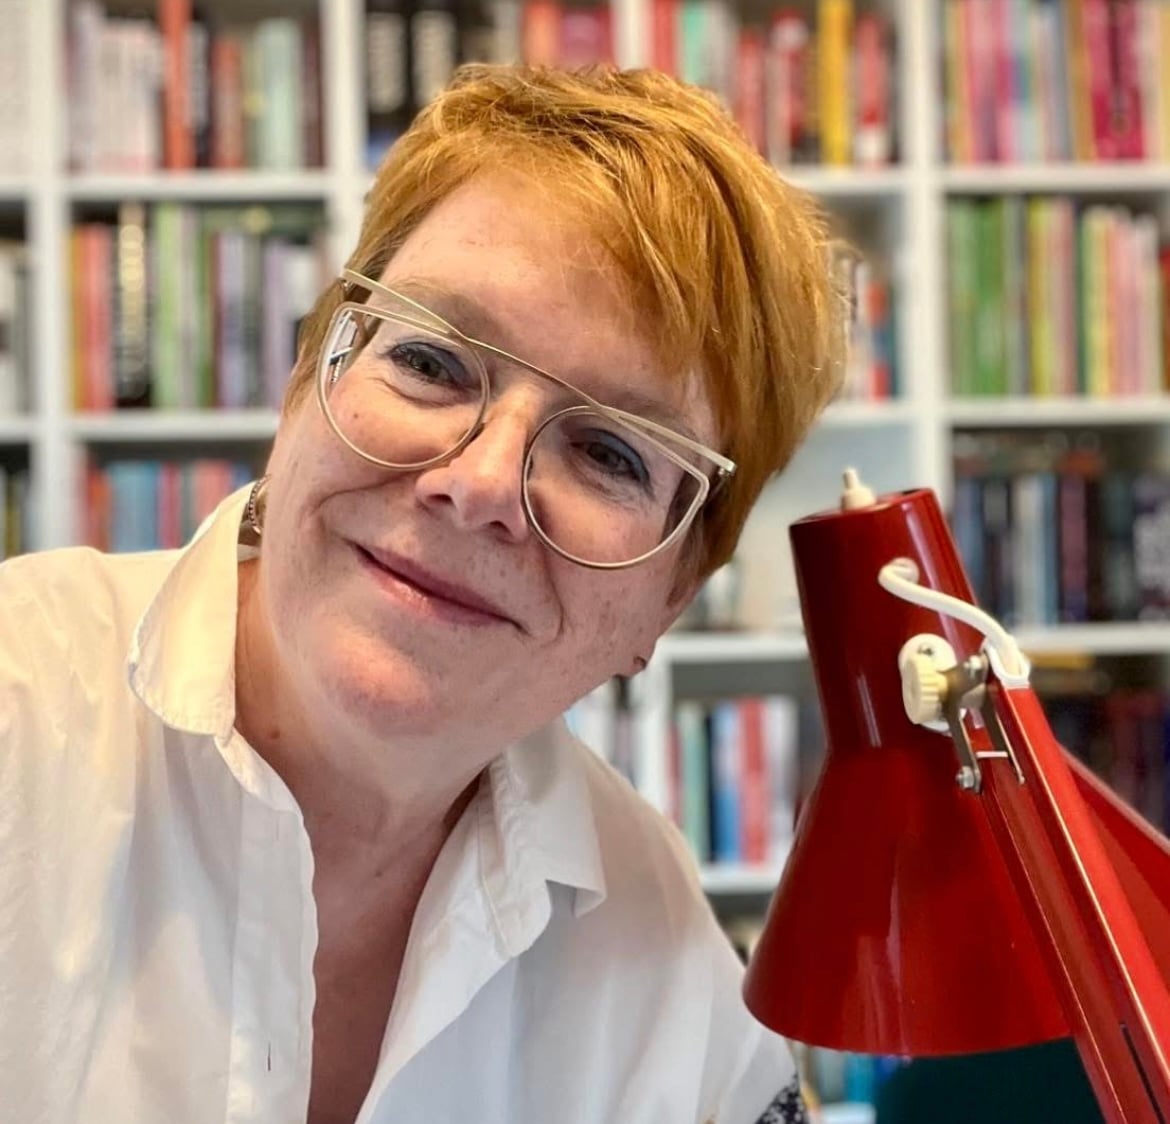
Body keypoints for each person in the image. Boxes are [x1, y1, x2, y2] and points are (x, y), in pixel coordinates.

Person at [0, 64, 844, 1122]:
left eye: (608, 452)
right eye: (434, 361)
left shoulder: (661, 956)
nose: (481, 483)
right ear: (307, 380)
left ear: (669, 600)